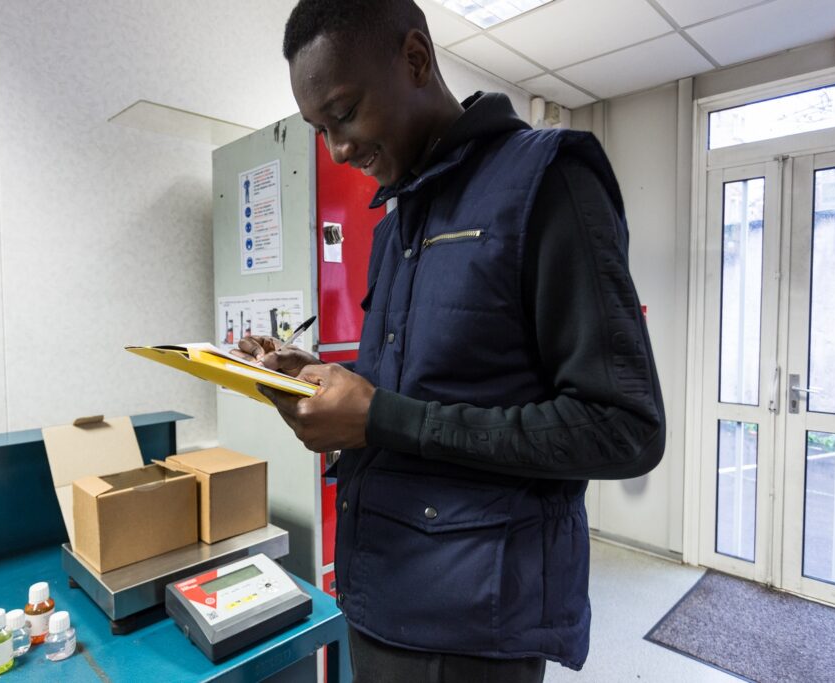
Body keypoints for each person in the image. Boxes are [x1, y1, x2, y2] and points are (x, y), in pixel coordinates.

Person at [233, 1, 666, 680]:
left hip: (470, 630)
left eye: (343, 114)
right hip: (378, 596)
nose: (339, 150)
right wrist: (315, 377)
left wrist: (378, 416)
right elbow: (417, 387)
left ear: (414, 59)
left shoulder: (547, 179)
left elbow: (623, 427)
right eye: (320, 131)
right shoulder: (395, 221)